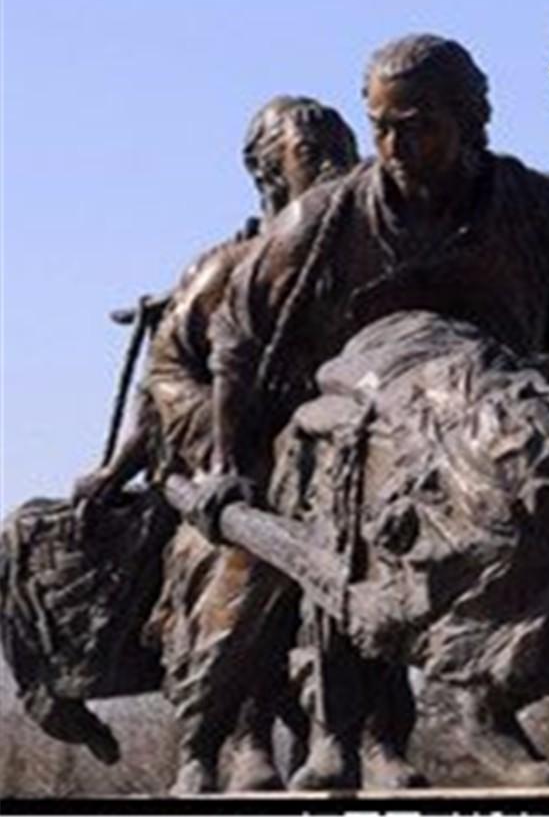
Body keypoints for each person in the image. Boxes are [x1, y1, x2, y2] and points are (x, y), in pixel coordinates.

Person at [195, 35, 549, 788]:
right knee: (349, 514)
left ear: (472, 120)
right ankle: (342, 734)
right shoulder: (324, 219)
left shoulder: (539, 206)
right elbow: (237, 337)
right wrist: (227, 462)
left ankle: (486, 708)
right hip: (359, 419)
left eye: (418, 127)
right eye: (381, 127)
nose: (394, 146)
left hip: (495, 416)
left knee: (526, 514)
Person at [95, 96, 360, 793]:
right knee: (237, 558)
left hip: (336, 461)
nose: (334, 165)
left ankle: (364, 734)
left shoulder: (363, 258)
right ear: (268, 173)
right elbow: (165, 376)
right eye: (311, 154)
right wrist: (128, 467)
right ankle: (232, 739)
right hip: (239, 469)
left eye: (342, 149)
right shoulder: (227, 267)